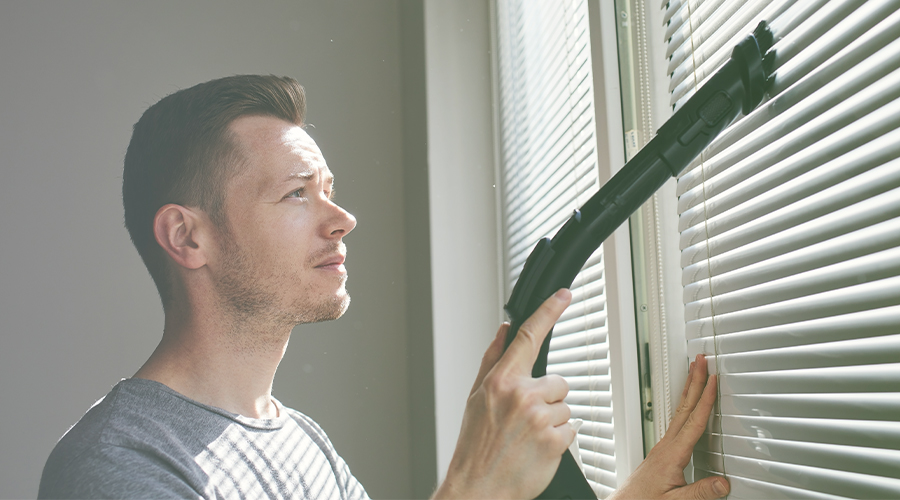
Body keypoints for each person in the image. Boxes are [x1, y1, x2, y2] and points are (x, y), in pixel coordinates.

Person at [38, 75, 729, 500]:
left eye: (330, 192)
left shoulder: (300, 443)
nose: (342, 219)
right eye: (296, 194)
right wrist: (473, 486)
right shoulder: (115, 467)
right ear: (189, 238)